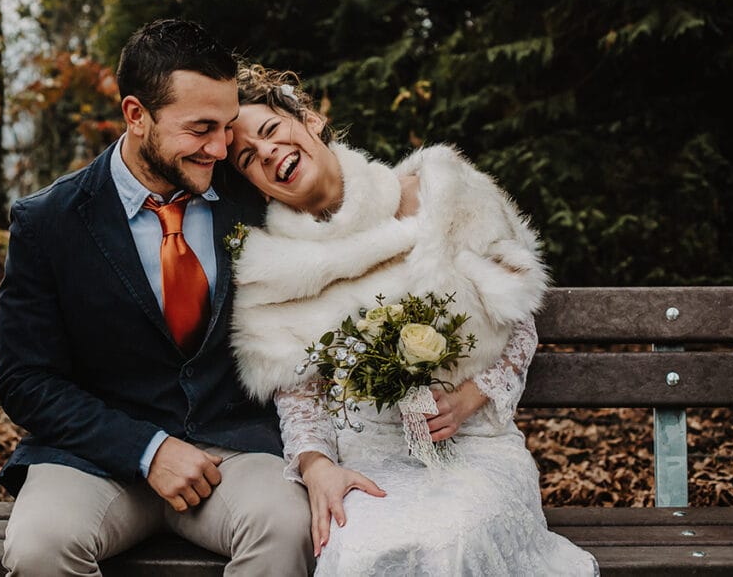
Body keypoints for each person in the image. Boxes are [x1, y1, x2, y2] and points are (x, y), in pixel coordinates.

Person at [228, 64, 599, 575]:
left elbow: (518, 318)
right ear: (254, 182)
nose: (267, 152)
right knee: (359, 552)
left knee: (453, 543)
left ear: (311, 120)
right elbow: (301, 404)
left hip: (473, 447)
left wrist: (470, 398)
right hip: (365, 460)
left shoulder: (441, 193)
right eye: (248, 157)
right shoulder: (273, 273)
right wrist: (318, 468)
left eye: (270, 130)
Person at [0, 22, 314, 576]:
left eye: (227, 126)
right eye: (200, 129)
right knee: (39, 548)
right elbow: (27, 381)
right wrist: (148, 449)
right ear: (136, 115)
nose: (220, 147)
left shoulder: (256, 197)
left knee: (288, 530)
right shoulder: (48, 222)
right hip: (95, 461)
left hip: (234, 451)